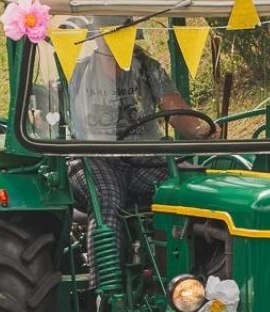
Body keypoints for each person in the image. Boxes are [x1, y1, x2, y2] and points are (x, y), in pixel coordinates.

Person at [65, 36, 214, 260]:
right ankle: (106, 289)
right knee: (106, 197)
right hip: (92, 157)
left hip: (143, 157)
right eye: (109, 34)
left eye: (124, 32)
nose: (116, 40)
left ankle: (192, 276)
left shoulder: (146, 67)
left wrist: (201, 129)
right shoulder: (79, 71)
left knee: (186, 187)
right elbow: (58, 114)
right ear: (98, 37)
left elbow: (175, 110)